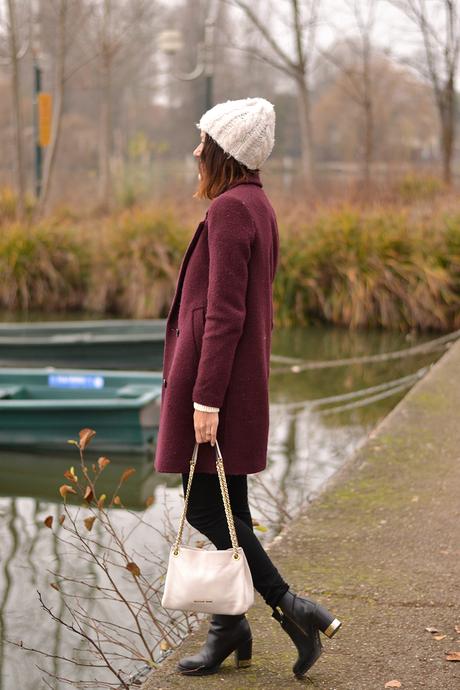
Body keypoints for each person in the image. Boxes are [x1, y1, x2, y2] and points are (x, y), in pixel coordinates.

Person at [154, 97, 342, 677]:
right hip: (237, 384)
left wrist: (205, 398)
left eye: (202, 140)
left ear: (223, 151)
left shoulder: (232, 210)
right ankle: (229, 626)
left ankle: (292, 608)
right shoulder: (255, 204)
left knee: (207, 506)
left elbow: (225, 313)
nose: (194, 151)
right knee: (228, 506)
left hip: (219, 389)